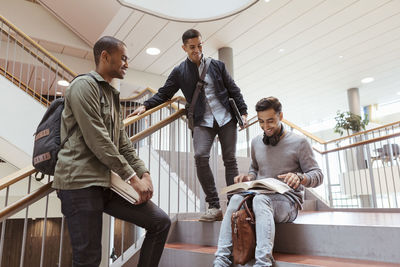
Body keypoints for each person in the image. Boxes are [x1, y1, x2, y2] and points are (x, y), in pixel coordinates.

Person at [53, 36, 171, 267]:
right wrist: (131, 178)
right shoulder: (83, 86)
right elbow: (98, 139)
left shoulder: (111, 95)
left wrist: (143, 173)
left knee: (160, 222)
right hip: (79, 183)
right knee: (88, 260)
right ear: (105, 56)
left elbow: (122, 142)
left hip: (105, 183)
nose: (127, 63)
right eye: (123, 58)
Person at [130, 29, 248, 222]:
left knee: (230, 160)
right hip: (202, 120)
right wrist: (145, 105)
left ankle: (235, 205)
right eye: (192, 47)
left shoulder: (217, 65)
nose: (197, 50)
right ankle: (214, 205)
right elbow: (164, 93)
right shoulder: (180, 71)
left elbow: (233, 89)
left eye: (199, 45)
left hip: (226, 118)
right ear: (184, 48)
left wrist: (242, 111)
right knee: (201, 156)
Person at [214, 97, 323, 266]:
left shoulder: (300, 143)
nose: (266, 127)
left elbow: (317, 175)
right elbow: (254, 169)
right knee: (235, 199)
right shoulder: (256, 142)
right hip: (261, 196)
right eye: (261, 122)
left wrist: (301, 178)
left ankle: (263, 263)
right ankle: (220, 261)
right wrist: (249, 177)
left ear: (281, 116)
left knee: (260, 200)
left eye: (270, 121)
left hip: (288, 202)